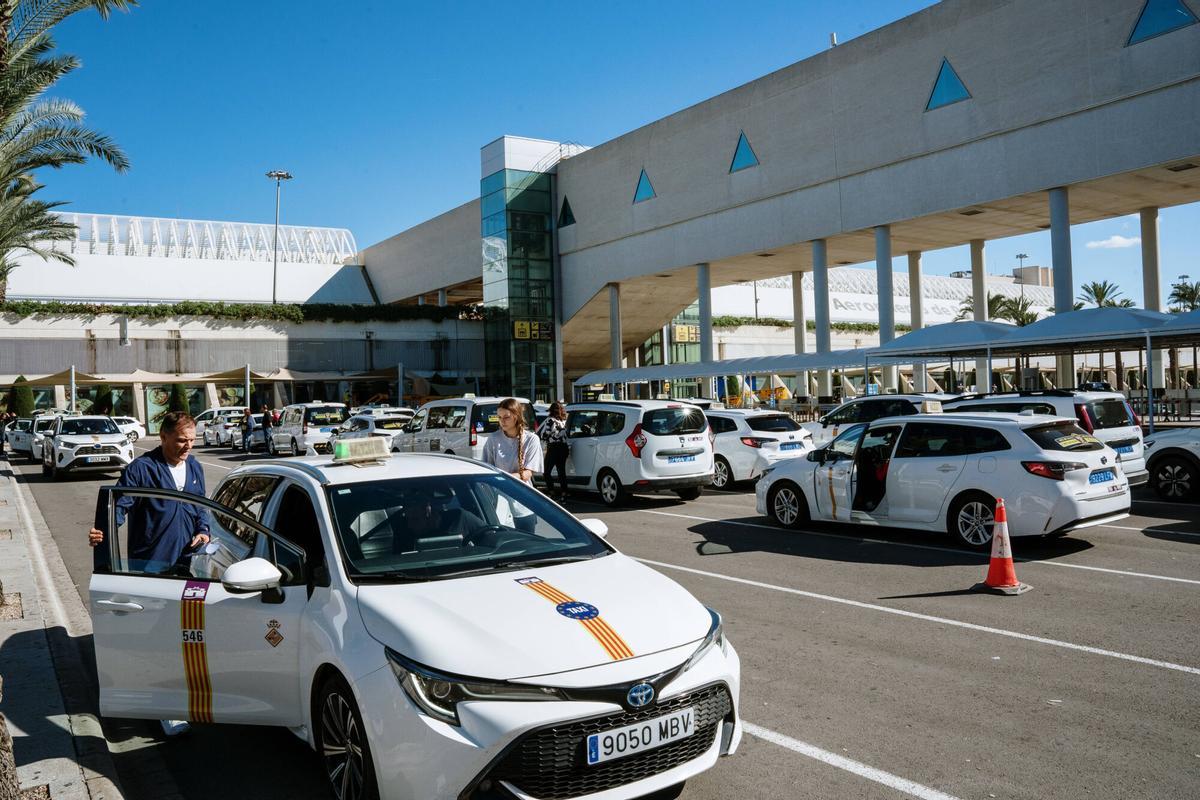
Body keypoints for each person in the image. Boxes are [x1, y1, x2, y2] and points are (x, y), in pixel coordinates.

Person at [87, 410, 209, 738]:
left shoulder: (195, 467)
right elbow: (119, 508)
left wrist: (204, 531)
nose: (188, 447)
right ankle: (162, 708)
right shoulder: (142, 469)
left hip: (187, 566)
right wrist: (104, 532)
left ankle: (185, 696)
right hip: (151, 568)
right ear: (164, 437)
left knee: (184, 635)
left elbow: (201, 507)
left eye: (192, 440)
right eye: (182, 440)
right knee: (156, 639)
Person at [482, 398, 542, 484]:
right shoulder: (493, 438)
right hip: (499, 492)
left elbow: (528, 473)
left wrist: (504, 478)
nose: (502, 421)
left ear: (516, 417)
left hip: (522, 491)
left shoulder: (531, 439)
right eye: (499, 417)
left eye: (506, 417)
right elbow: (487, 469)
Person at [538, 401, 569, 500]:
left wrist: (544, 437)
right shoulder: (564, 420)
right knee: (561, 471)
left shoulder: (550, 420)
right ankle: (564, 492)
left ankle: (551, 492)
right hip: (564, 447)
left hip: (553, 447)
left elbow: (545, 433)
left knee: (546, 471)